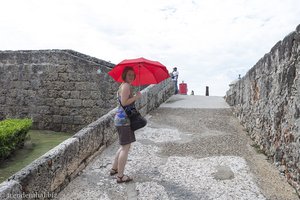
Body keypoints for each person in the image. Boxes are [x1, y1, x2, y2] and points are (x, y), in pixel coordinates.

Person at [110, 66, 141, 183]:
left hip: (120, 119)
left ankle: (114, 168)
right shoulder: (126, 86)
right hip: (124, 121)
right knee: (125, 148)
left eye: (133, 75)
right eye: (129, 75)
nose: (131, 77)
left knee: (123, 146)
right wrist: (136, 97)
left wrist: (133, 97)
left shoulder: (122, 85)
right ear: (124, 75)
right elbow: (124, 102)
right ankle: (120, 176)